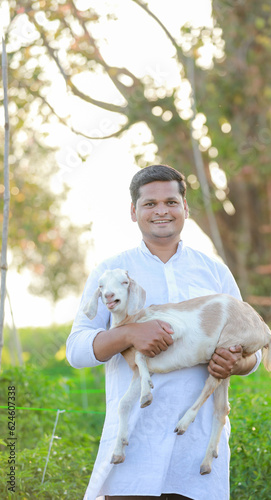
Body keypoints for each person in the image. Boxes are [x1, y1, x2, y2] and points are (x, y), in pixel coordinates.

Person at [66, 164, 261, 500]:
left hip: (198, 449)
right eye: (150, 204)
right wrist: (129, 334)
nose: (161, 211)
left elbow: (252, 352)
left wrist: (234, 361)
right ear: (133, 212)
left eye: (171, 202)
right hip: (133, 449)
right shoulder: (112, 272)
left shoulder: (214, 272)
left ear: (185, 208)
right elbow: (76, 349)